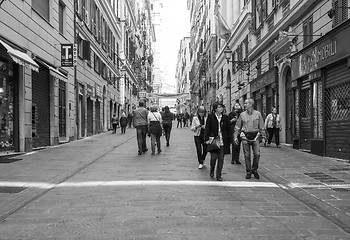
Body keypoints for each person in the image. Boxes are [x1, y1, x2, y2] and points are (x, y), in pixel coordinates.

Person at [234, 98, 266, 180]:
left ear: (251, 104)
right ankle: (248, 171)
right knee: (247, 155)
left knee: (257, 154)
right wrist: (235, 137)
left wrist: (263, 136)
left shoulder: (258, 114)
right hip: (245, 136)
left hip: (255, 136)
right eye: (244, 103)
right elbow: (237, 127)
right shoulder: (242, 115)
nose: (244, 105)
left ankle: (254, 169)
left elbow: (261, 126)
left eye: (246, 103)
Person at [204, 102, 232, 181]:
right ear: (215, 109)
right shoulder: (211, 117)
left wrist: (231, 140)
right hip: (214, 141)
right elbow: (207, 128)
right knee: (213, 158)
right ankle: (212, 170)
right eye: (219, 107)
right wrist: (206, 139)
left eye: (222, 107)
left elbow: (229, 129)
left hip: (223, 141)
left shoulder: (225, 117)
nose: (221, 109)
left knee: (221, 159)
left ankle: (218, 175)